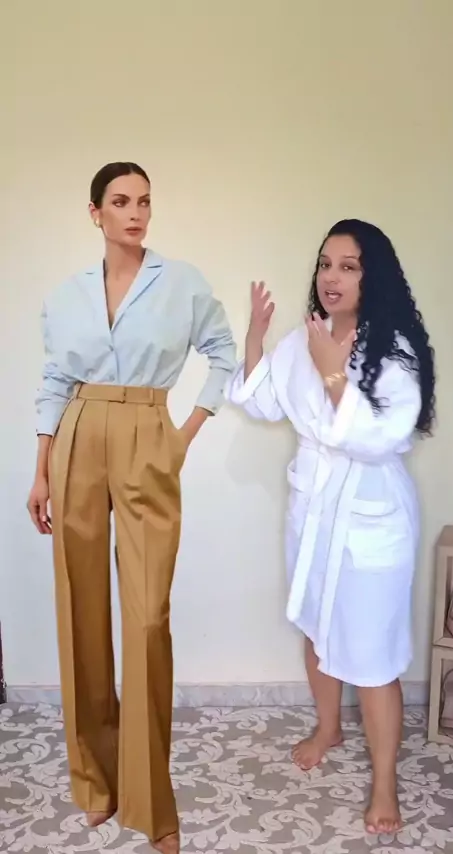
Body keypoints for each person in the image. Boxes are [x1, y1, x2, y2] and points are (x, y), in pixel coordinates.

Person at [27, 161, 236, 853]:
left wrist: (183, 434)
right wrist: (41, 469)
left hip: (148, 430)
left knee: (147, 619)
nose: (136, 213)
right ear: (96, 213)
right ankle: (96, 784)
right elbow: (55, 378)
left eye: (144, 201)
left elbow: (224, 355)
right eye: (120, 202)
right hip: (79, 433)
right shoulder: (67, 296)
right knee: (81, 611)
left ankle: (152, 805)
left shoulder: (182, 283)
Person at [226, 219, 435, 835]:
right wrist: (256, 338)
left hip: (370, 514)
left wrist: (334, 373)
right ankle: (328, 727)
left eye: (348, 266)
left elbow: (382, 436)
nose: (331, 277)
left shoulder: (395, 350)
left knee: (372, 655)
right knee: (317, 628)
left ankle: (385, 781)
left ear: (373, 277)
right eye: (325, 264)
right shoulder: (306, 337)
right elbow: (263, 400)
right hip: (314, 509)